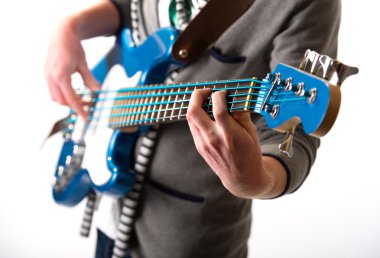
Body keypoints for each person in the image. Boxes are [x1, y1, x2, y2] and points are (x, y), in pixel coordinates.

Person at [44, 0, 341, 257]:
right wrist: (71, 26)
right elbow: (129, 8)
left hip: (187, 239)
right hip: (109, 215)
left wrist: (256, 179)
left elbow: (293, 136)